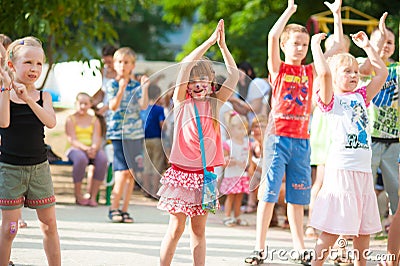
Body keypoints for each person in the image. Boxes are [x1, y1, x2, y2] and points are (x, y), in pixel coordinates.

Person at [244, 0, 344, 264]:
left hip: (301, 140)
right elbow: (272, 35)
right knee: (268, 193)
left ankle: (300, 249)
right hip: (277, 138)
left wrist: (336, 16)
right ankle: (259, 247)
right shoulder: (278, 69)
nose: (300, 48)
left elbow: (338, 47)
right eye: (295, 43)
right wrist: (289, 10)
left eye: (304, 43)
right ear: (284, 47)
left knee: (297, 197)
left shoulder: (310, 71)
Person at [157, 19, 239, 266]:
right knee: (176, 227)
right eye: (195, 79)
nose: (199, 83)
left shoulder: (215, 104)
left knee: (199, 231)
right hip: (181, 174)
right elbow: (185, 67)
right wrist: (209, 42)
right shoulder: (181, 102)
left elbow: (234, 75)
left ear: (212, 81)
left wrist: (223, 47)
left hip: (206, 175)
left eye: (205, 78)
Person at [309, 22, 388, 265]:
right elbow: (322, 74)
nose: (354, 75)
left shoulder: (360, 96)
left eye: (355, 71)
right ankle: (316, 263)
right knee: (333, 228)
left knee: (364, 231)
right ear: (334, 77)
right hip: (341, 170)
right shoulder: (330, 100)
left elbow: (381, 74)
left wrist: (367, 48)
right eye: (347, 71)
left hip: (362, 170)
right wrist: (316, 46)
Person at [0, 36, 61, 265]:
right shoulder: (3, 92)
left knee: (49, 225)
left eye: (38, 63)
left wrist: (29, 100)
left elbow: (51, 122)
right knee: (10, 229)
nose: (34, 68)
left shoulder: (43, 95)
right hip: (11, 170)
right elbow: (3, 122)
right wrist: (7, 88)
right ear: (12, 65)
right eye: (27, 63)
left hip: (39, 169)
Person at [358, 20, 399, 230]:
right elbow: (366, 70)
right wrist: (376, 44)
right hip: (368, 139)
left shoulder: (398, 69)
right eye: (381, 40)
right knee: (363, 188)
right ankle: (359, 229)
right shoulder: (361, 65)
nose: (385, 44)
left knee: (396, 191)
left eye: (390, 41)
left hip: (394, 140)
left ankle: (393, 229)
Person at [105, 46, 149, 223]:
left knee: (131, 174)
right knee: (122, 172)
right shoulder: (112, 84)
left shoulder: (136, 86)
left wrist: (145, 88)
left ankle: (124, 210)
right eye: (120, 62)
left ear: (133, 65)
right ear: (115, 65)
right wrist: (121, 88)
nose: (123, 66)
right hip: (118, 134)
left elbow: (144, 106)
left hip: (135, 134)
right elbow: (113, 106)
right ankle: (113, 207)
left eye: (127, 63)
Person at [65, 92, 108, 207]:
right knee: (81, 159)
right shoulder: (70, 119)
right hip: (75, 149)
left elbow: (96, 137)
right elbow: (72, 139)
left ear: (90, 105)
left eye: (86, 104)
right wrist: (86, 149)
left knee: (102, 159)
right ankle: (78, 195)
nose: (83, 106)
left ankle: (92, 196)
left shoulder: (95, 120)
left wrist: (93, 148)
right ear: (76, 104)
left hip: (91, 149)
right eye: (80, 103)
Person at [220, 111, 251, 226]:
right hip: (231, 175)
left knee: (239, 197)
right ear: (232, 129)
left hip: (242, 175)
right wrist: (229, 161)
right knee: (231, 197)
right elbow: (223, 160)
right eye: (239, 128)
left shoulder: (246, 144)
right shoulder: (228, 144)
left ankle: (237, 216)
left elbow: (249, 159)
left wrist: (247, 164)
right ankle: (227, 216)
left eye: (244, 128)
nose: (243, 131)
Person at [140, 83, 166, 199]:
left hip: (145, 140)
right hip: (156, 139)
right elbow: (162, 124)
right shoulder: (159, 109)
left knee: (147, 166)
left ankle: (146, 190)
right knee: (157, 165)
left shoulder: (143, 108)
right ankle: (154, 191)